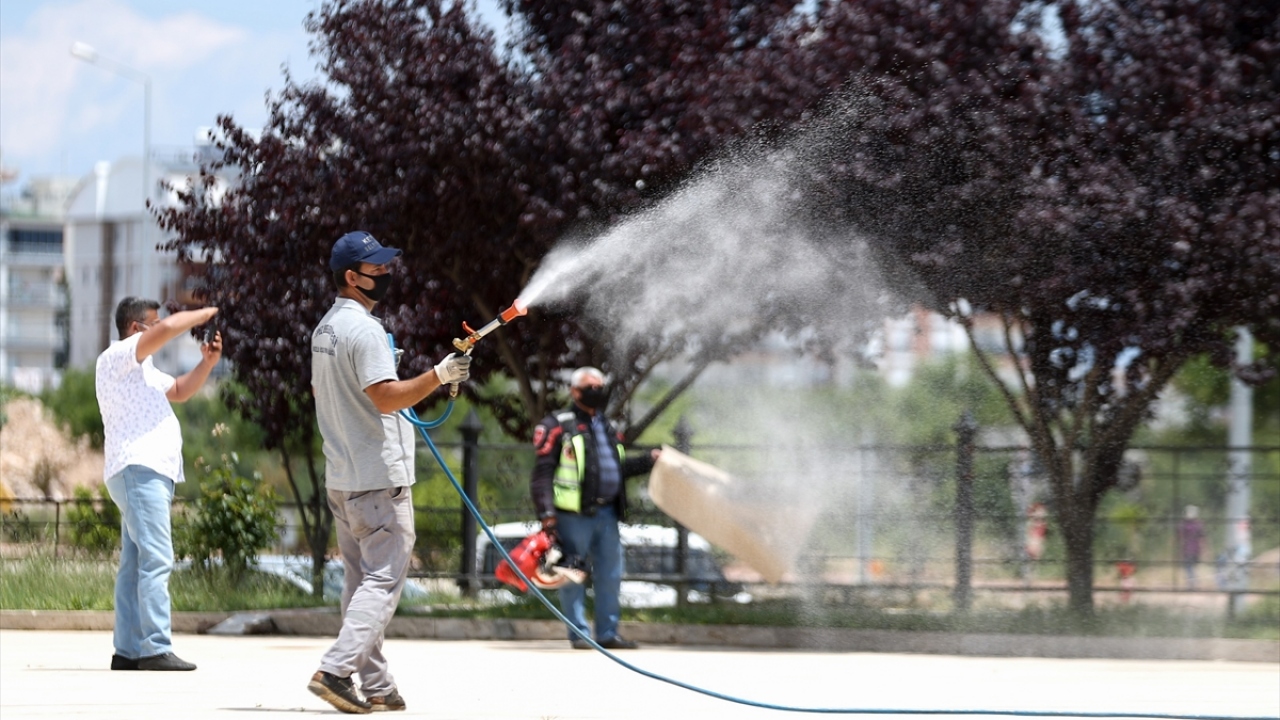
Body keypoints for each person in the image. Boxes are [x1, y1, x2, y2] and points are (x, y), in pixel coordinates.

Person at [307, 230, 471, 714]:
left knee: (361, 584)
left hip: (344, 478)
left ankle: (376, 685)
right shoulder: (365, 331)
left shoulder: (325, 331)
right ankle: (335, 670)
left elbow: (333, 395)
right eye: (375, 269)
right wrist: (440, 376)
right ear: (351, 277)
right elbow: (385, 396)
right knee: (381, 583)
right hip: (378, 479)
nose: (385, 274)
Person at [95, 298, 222, 672]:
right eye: (154, 323)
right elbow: (167, 330)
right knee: (157, 558)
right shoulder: (118, 356)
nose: (161, 327)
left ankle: (129, 650)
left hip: (144, 472)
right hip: (139, 469)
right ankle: (154, 646)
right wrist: (204, 314)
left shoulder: (145, 372)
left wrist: (208, 364)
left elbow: (181, 390)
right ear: (136, 328)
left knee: (136, 563)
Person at [530, 367, 659, 650]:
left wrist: (649, 460)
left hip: (608, 513)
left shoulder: (607, 426)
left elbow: (617, 468)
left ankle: (607, 634)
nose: (597, 391)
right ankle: (580, 634)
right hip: (572, 515)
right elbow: (542, 474)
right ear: (574, 391)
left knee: (611, 575)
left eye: (600, 386)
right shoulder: (557, 425)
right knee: (572, 575)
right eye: (591, 386)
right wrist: (546, 514)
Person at [1178, 505, 1205, 589]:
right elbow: (1202, 538)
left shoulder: (1184, 524)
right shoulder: (1198, 524)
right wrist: (1204, 549)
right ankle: (1193, 582)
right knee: (1191, 566)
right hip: (1195, 549)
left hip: (1188, 548)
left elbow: (1180, 537)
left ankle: (1191, 583)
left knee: (1188, 566)